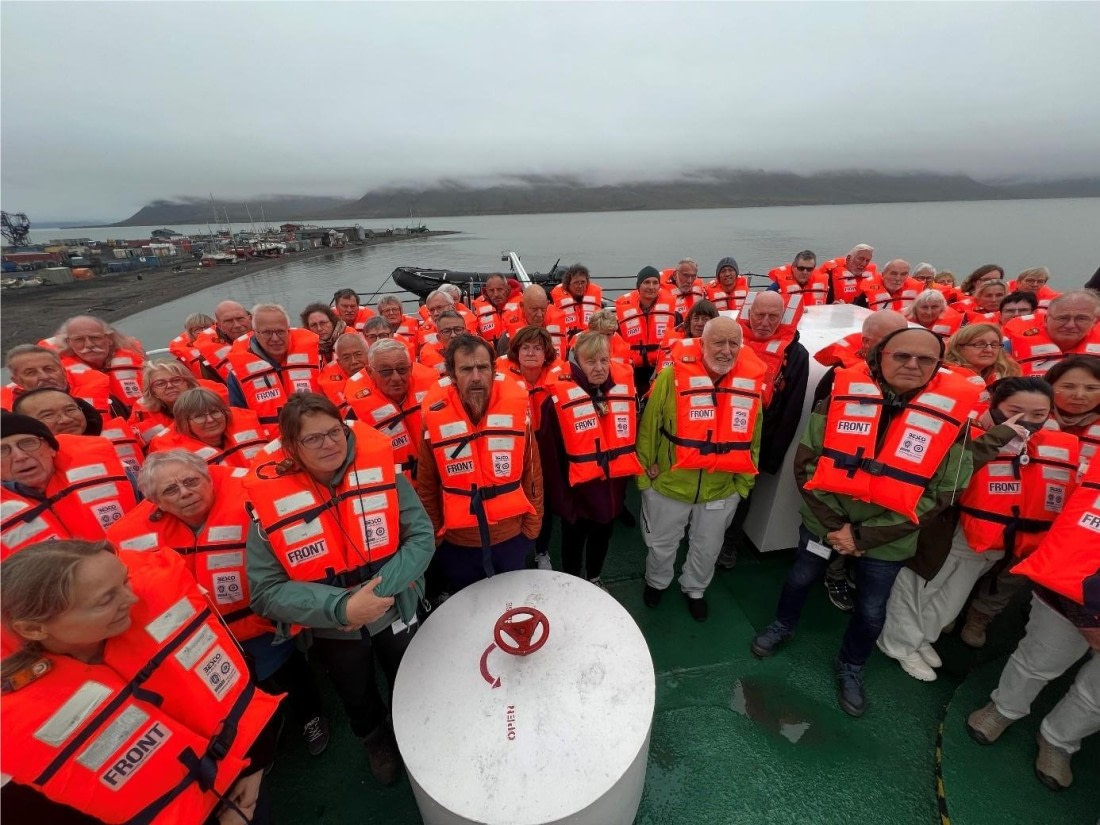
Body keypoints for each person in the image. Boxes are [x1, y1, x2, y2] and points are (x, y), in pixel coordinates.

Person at [751, 327, 982, 717]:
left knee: (872, 609)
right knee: (800, 578)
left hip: (888, 538)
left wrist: (862, 537)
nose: (913, 364)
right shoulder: (839, 398)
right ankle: (782, 625)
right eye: (902, 355)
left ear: (938, 366)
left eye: (925, 359)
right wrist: (836, 527)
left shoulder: (954, 422)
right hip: (825, 523)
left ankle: (852, 665)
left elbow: (944, 493)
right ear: (880, 357)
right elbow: (807, 463)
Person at [0, 539, 281, 824]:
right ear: (33, 628)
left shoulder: (162, 601)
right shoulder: (16, 726)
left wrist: (255, 765)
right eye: (106, 599)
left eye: (125, 580)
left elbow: (237, 685)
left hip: (243, 774)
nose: (131, 598)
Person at [243, 393, 434, 785]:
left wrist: (376, 595)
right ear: (291, 446)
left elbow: (421, 537)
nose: (329, 443)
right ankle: (375, 739)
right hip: (333, 629)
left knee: (412, 673)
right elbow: (265, 592)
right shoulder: (267, 504)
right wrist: (342, 607)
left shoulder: (384, 473)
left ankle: (420, 729)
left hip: (396, 604)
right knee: (355, 690)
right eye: (313, 438)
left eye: (335, 432)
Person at [107, 450, 329, 756]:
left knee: (288, 673)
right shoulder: (128, 538)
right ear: (156, 502)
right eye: (170, 490)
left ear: (208, 479)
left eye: (191, 481)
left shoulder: (252, 501)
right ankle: (266, 729)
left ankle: (311, 716)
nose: (185, 492)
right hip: (204, 639)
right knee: (238, 692)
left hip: (262, 621)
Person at [878, 378, 1073, 681]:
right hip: (949, 532)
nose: (1028, 421)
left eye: (1039, 414)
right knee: (918, 591)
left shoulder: (1046, 446)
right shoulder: (967, 433)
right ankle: (898, 644)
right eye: (1016, 411)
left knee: (952, 598)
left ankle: (922, 637)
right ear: (994, 406)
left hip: (991, 542)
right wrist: (994, 440)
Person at [967, 459, 1100, 791]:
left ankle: (1059, 739)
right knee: (1038, 660)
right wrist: (1089, 620)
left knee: (1098, 695)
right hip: (1070, 595)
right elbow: (1075, 540)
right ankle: (1004, 707)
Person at [637, 317, 764, 622]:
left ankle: (695, 588)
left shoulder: (749, 386)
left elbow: (755, 437)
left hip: (721, 489)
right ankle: (657, 582)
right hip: (670, 484)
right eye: (718, 342)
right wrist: (643, 479)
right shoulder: (671, 377)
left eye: (734, 343)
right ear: (702, 344)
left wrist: (743, 486)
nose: (726, 350)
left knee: (708, 548)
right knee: (661, 544)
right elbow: (649, 428)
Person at [416, 333, 543, 593]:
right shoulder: (434, 418)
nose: (476, 377)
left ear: (493, 371)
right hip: (458, 542)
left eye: (483, 368)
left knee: (512, 600)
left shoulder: (517, 412)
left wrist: (532, 527)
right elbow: (427, 484)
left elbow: (533, 473)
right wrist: (437, 535)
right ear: (452, 375)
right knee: (468, 604)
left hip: (511, 536)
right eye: (466, 369)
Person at [537, 331, 642, 588]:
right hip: (577, 498)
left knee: (602, 539)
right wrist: (563, 504)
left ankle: (594, 577)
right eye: (591, 361)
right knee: (572, 545)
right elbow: (550, 461)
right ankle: (573, 582)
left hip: (611, 494)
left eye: (604, 360)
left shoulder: (621, 393)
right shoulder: (555, 403)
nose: (599, 368)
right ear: (576, 363)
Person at [717, 292, 809, 567]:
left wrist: (773, 456)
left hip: (758, 438)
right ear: (749, 313)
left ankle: (729, 543)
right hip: (719, 429)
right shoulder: (731, 341)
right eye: (759, 315)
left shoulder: (795, 354)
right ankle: (699, 531)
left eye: (773, 316)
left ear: (783, 318)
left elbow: (792, 407)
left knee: (743, 493)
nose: (765, 322)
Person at [2, 412, 138, 558]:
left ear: (51, 448)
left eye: (28, 443)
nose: (20, 456)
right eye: (2, 450)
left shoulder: (119, 471)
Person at [344, 339, 436, 480]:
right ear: (370, 372)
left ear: (411, 368)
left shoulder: (434, 395)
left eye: (402, 369)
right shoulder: (355, 416)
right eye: (386, 372)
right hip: (397, 484)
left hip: (434, 479)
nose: (396, 378)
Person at [225, 303, 321, 437]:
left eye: (280, 331)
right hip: (274, 443)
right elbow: (242, 420)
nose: (275, 338)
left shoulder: (316, 358)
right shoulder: (237, 375)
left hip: (316, 435)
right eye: (267, 333)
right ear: (255, 333)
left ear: (288, 330)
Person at [13, 387, 143, 473]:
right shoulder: (26, 474)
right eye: (48, 415)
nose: (65, 419)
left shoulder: (118, 463)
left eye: (70, 410)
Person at [149, 387, 267, 468]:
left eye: (215, 412)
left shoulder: (252, 421)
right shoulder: (173, 457)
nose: (210, 420)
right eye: (199, 416)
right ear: (185, 422)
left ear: (225, 413)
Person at [57, 315, 145, 414]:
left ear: (109, 339)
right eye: (79, 339)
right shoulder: (59, 376)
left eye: (95, 337)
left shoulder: (137, 360)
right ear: (69, 342)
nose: (89, 344)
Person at [129, 358, 226, 446]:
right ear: (153, 392)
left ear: (188, 384)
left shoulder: (213, 403)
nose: (170, 386)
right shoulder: (142, 416)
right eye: (160, 383)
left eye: (176, 380)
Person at [1004, 289, 1100, 375]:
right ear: (1046, 320)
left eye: (1082, 319)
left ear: (1095, 322)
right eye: (1062, 318)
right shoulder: (1010, 345)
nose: (1070, 325)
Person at [616, 266, 679, 398]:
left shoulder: (674, 314)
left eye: (655, 283)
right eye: (646, 282)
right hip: (633, 368)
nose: (651, 287)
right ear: (638, 286)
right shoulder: (622, 314)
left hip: (660, 368)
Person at [3, 344, 117, 416]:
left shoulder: (102, 392)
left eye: (49, 369)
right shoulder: (8, 413)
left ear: (63, 371)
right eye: (31, 373)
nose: (44, 376)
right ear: (17, 381)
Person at [1046, 354, 1100, 464]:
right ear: (1048, 387)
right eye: (1068, 387)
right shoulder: (1023, 422)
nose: (1079, 395)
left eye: (1091, 388)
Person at [498, 285, 568, 357]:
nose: (539, 315)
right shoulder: (507, 339)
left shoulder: (563, 327)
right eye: (534, 309)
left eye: (543, 309)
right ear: (522, 306)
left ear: (547, 304)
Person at [193, 300, 253, 383]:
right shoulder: (206, 358)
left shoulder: (268, 337)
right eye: (228, 321)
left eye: (240, 318)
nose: (237, 325)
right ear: (219, 326)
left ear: (250, 319)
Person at [656, 300, 720, 371]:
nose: (700, 323)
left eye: (705, 319)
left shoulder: (723, 347)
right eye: (696, 318)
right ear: (689, 321)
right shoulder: (675, 342)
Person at [551, 263, 603, 339]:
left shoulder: (594, 298)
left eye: (583, 282)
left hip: (591, 340)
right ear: (567, 284)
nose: (580, 286)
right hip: (568, 341)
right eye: (576, 283)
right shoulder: (556, 304)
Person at [318, 331, 369, 407]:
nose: (354, 361)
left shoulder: (382, 376)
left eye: (358, 355)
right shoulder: (327, 383)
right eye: (346, 358)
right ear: (339, 363)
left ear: (368, 354)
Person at [855, 259, 922, 312]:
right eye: (894, 274)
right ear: (883, 274)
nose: (898, 278)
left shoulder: (918, 294)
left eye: (903, 274)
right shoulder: (865, 295)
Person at [472, 273, 520, 345]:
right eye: (491, 290)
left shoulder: (523, 303)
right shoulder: (477, 307)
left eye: (500, 289)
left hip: (517, 347)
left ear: (507, 288)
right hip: (489, 349)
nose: (496, 294)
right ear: (486, 291)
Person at [168, 311, 216, 378]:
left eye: (207, 327)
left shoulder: (226, 340)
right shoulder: (183, 360)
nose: (203, 331)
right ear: (191, 334)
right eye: (197, 330)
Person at [419, 309, 467, 375]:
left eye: (458, 330)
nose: (453, 335)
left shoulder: (479, 350)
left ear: (466, 332)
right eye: (447, 331)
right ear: (439, 338)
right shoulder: (428, 355)